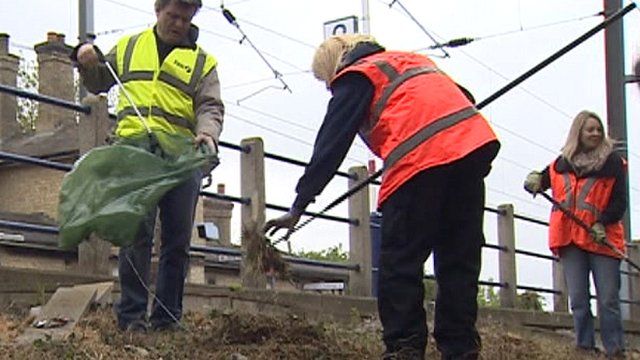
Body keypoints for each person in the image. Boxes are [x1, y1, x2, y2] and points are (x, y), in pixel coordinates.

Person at [263, 34, 499, 360]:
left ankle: (404, 348)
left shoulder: (357, 75)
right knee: (459, 260)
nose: (330, 87)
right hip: (470, 147)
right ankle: (460, 349)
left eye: (325, 80)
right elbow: (461, 98)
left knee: (400, 262)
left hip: (419, 159)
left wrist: (300, 204)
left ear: (334, 65)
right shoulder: (413, 61)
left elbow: (332, 141)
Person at [72, 0, 224, 332]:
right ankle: (132, 320)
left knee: (177, 240)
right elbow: (98, 80)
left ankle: (167, 321)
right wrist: (84, 58)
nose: (178, 24)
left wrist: (207, 134)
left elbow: (211, 106)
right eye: (173, 16)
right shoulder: (128, 48)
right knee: (135, 235)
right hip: (134, 152)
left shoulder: (203, 62)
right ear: (158, 10)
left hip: (182, 157)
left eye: (185, 18)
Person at [524, 110, 626, 358]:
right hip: (570, 238)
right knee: (579, 298)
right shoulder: (561, 164)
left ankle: (615, 350)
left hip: (601, 238)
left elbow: (619, 201)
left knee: (608, 300)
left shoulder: (613, 164)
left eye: (598, 130)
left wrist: (603, 223)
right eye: (590, 129)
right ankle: (585, 348)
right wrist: (535, 180)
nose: (595, 133)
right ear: (578, 133)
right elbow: (543, 180)